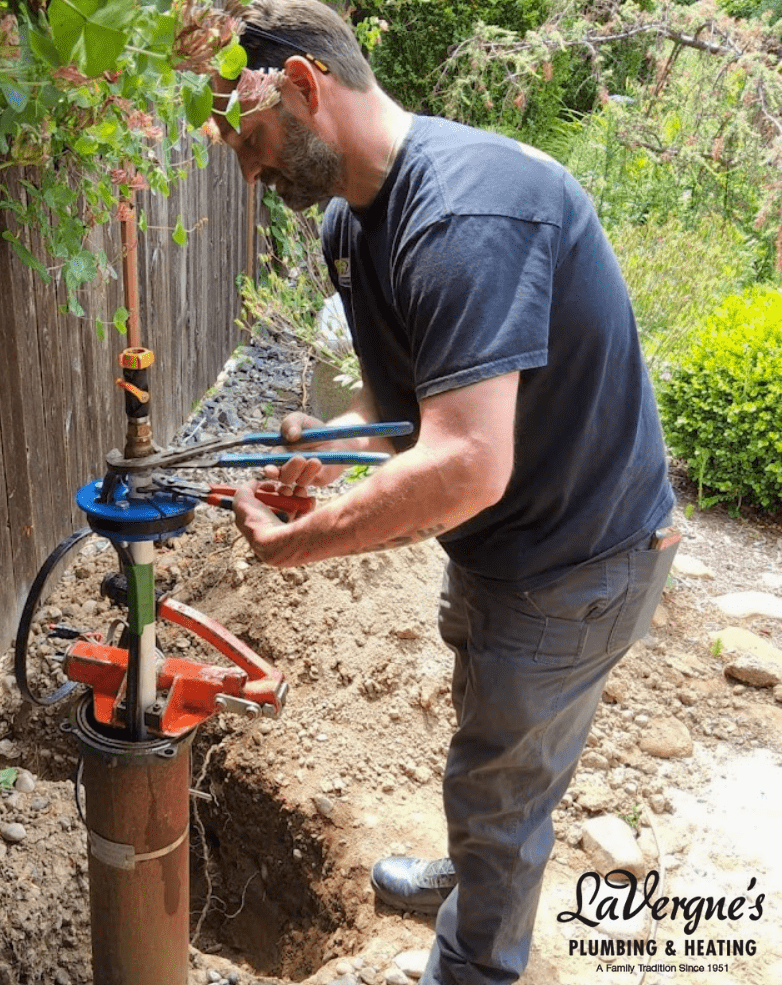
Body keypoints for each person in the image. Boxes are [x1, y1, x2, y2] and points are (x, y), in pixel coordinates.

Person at [210, 2, 679, 983]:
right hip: (505, 546)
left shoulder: (466, 211)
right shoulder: (351, 225)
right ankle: (472, 876)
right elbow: (410, 418)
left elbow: (467, 462)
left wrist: (299, 543)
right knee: (486, 739)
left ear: (304, 84)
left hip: (577, 558)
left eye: (245, 136)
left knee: (502, 785)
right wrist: (329, 451)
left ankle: (473, 959)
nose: (245, 170)